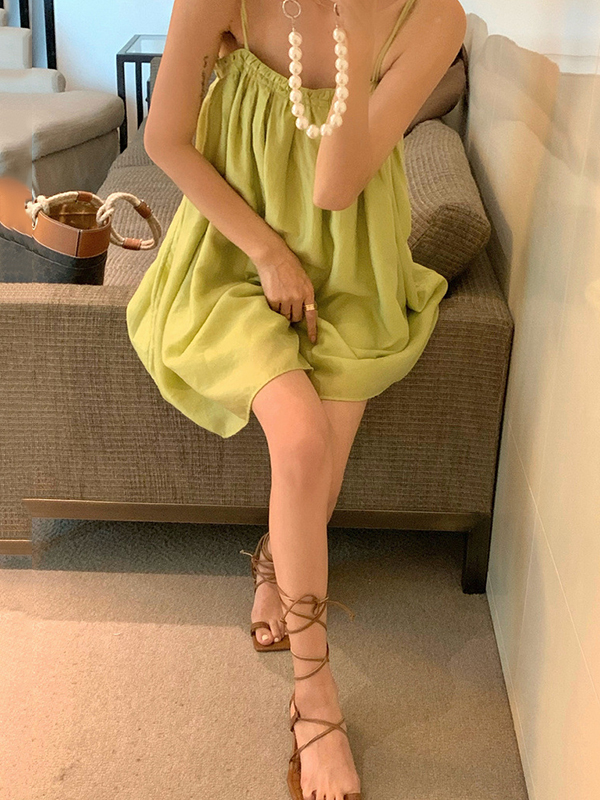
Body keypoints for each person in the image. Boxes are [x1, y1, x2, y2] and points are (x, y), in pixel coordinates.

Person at [126, 1, 467, 798]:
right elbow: (165, 139)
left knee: (320, 471)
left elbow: (337, 186)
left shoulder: (433, 19)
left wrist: (352, 32)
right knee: (304, 442)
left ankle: (275, 558)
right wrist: (268, 253)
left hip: (351, 267)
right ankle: (316, 699)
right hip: (235, 252)